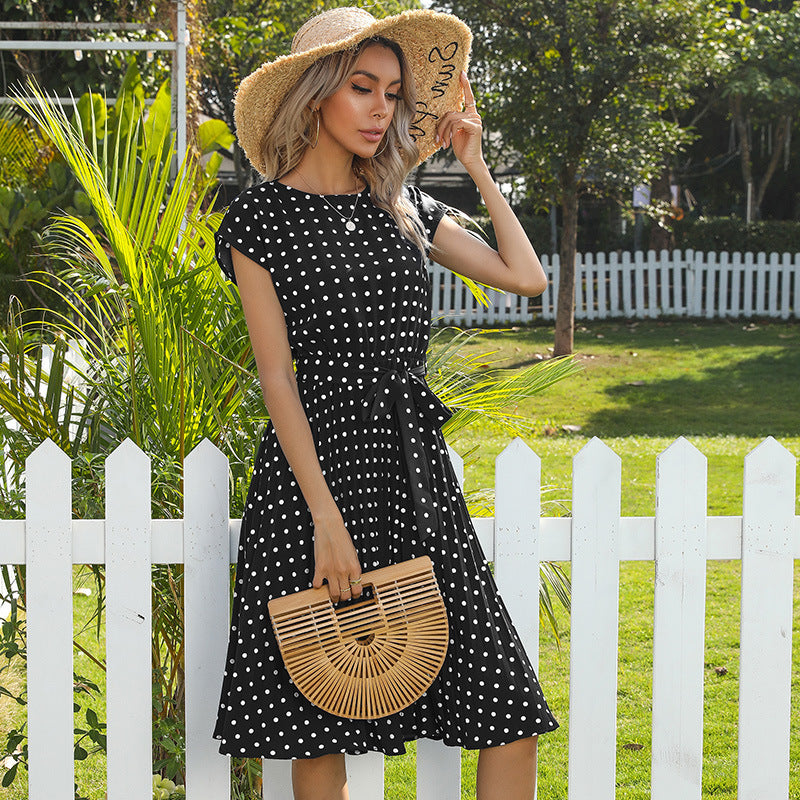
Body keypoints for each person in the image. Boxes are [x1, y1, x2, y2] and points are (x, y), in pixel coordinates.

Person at [213, 7, 558, 799]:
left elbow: (526, 277)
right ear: (317, 95)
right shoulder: (261, 219)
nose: (380, 108)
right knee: (318, 719)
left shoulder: (403, 208)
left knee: (506, 706)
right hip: (317, 482)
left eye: (392, 93)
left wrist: (474, 161)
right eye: (361, 87)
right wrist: (326, 525)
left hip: (413, 471)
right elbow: (277, 381)